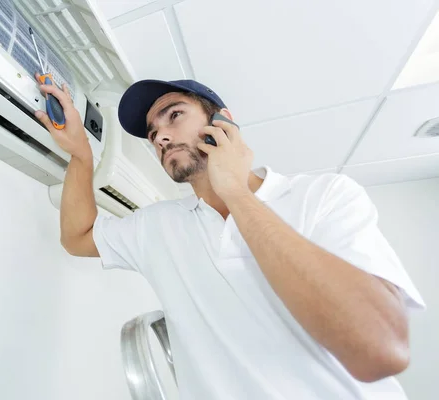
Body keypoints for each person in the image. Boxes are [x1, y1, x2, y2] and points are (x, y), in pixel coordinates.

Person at [34, 76, 426, 400]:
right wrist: (82, 154)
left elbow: (380, 350)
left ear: (223, 121)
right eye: (153, 133)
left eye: (174, 116)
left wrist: (236, 193)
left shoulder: (324, 196)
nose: (161, 138)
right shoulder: (158, 225)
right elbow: (77, 237)